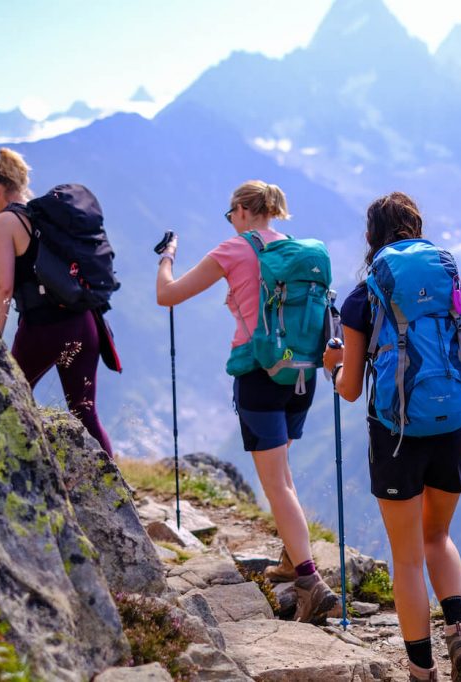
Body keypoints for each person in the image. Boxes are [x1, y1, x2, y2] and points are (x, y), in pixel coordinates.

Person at [322, 192, 461, 682]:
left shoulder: (363, 297)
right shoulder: (453, 284)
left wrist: (332, 367)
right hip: (455, 426)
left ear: (371, 238)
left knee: (407, 556)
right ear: (418, 229)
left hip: (396, 436)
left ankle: (423, 673)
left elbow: (352, 390)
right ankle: (460, 632)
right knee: (438, 535)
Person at [155, 179, 337, 624]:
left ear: (241, 210)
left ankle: (311, 581)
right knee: (283, 474)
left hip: (258, 375)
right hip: (301, 375)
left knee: (275, 483)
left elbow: (168, 295)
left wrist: (167, 258)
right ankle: (293, 559)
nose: (231, 221)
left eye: (230, 214)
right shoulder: (298, 251)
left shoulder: (233, 250)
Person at [0, 148, 112, 455]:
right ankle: (118, 494)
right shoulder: (49, 217)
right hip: (84, 321)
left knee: (7, 399)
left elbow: (3, 287)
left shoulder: (4, 223)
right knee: (85, 411)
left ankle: (9, 471)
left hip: (43, 329)